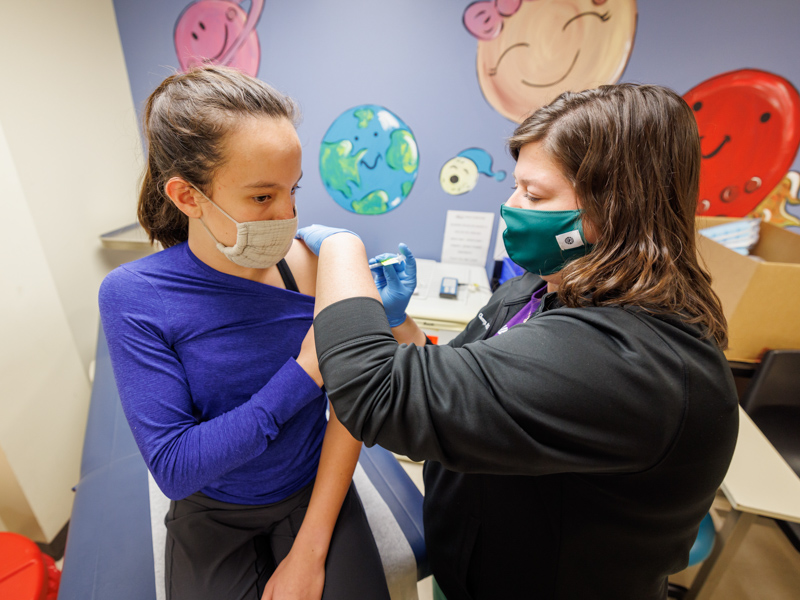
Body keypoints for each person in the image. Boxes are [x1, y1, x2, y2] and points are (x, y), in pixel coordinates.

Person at [298, 84, 740, 599]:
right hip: (471, 562)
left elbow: (376, 394)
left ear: (612, 208)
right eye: (516, 187)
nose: (510, 207)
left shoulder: (626, 361)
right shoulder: (546, 284)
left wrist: (343, 252)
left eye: (534, 195)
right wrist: (400, 326)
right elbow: (466, 379)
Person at [98, 65, 390, 600]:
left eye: (293, 190)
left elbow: (352, 408)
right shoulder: (134, 296)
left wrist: (311, 548)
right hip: (212, 508)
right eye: (261, 198)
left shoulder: (311, 263)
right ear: (188, 197)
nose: (289, 216)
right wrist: (305, 371)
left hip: (312, 489)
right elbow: (176, 468)